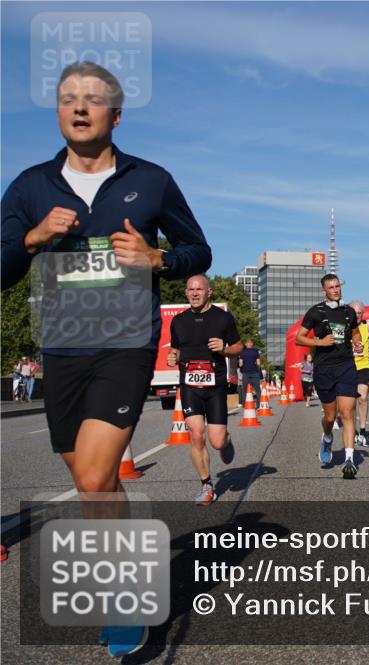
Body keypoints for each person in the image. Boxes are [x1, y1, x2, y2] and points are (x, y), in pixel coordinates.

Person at [0, 62, 211, 657]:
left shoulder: (153, 180)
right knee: (90, 485)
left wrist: (158, 258)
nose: (80, 106)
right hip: (61, 348)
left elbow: (199, 249)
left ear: (115, 115)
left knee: (96, 476)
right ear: (58, 113)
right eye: (68, 98)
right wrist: (32, 240)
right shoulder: (29, 187)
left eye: (93, 99)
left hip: (126, 343)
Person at [167, 275, 241, 505]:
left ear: (209, 291)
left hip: (215, 385)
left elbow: (238, 346)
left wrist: (225, 348)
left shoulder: (223, 318)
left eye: (199, 289)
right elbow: (176, 349)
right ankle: (206, 485)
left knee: (216, 441)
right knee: (196, 435)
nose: (195, 293)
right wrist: (173, 356)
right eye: (191, 289)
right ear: (187, 292)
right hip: (189, 385)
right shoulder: (178, 321)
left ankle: (226, 441)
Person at [296, 274, 364, 478]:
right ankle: (326, 437)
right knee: (330, 417)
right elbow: (299, 338)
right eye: (331, 287)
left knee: (348, 413)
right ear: (323, 290)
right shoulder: (315, 312)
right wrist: (319, 343)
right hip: (324, 369)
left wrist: (357, 342)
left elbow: (354, 332)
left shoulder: (349, 312)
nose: (336, 290)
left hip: (346, 367)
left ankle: (349, 460)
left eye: (337, 286)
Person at [349, 300, 369, 447]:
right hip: (347, 366)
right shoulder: (345, 327)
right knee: (350, 402)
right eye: (354, 312)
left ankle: (363, 432)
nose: (357, 315)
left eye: (360, 312)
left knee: (363, 397)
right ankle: (351, 431)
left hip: (363, 365)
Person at [238, 338, 262, 404]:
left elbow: (240, 364)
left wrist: (241, 368)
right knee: (257, 389)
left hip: (245, 373)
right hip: (255, 372)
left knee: (244, 389)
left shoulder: (242, 352)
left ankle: (244, 404)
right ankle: (259, 404)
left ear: (245, 345)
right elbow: (258, 363)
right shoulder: (256, 351)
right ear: (252, 344)